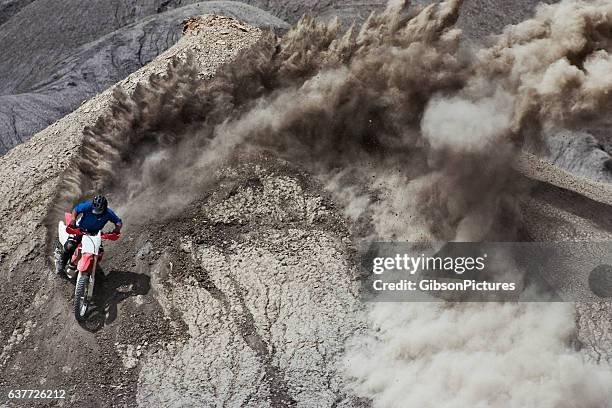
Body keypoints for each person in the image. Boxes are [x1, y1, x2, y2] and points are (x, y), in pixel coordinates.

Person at [59, 195, 122, 273]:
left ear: (104, 208)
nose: (96, 212)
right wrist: (73, 220)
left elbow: (118, 222)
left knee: (100, 252)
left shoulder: (108, 213)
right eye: (95, 209)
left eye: (99, 211)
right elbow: (76, 210)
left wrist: (116, 230)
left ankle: (89, 267)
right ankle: (61, 266)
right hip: (81, 228)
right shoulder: (87, 206)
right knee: (69, 246)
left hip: (95, 233)